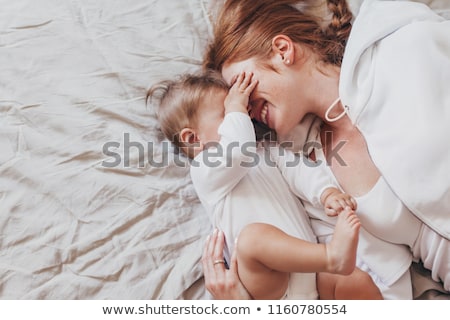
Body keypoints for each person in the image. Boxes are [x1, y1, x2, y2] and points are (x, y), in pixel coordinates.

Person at [202, 0, 450, 299]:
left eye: (243, 88)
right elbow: (365, 291)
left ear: (283, 50)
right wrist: (242, 307)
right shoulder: (316, 178)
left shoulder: (401, 48)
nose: (245, 110)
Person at [148, 70, 382, 299]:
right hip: (267, 284)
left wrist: (325, 192)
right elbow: (238, 149)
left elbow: (298, 170)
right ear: (193, 139)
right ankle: (332, 256)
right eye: (226, 112)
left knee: (357, 281)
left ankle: (334, 263)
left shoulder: (265, 149)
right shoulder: (204, 168)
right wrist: (235, 107)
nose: (244, 116)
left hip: (309, 275)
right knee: (251, 240)